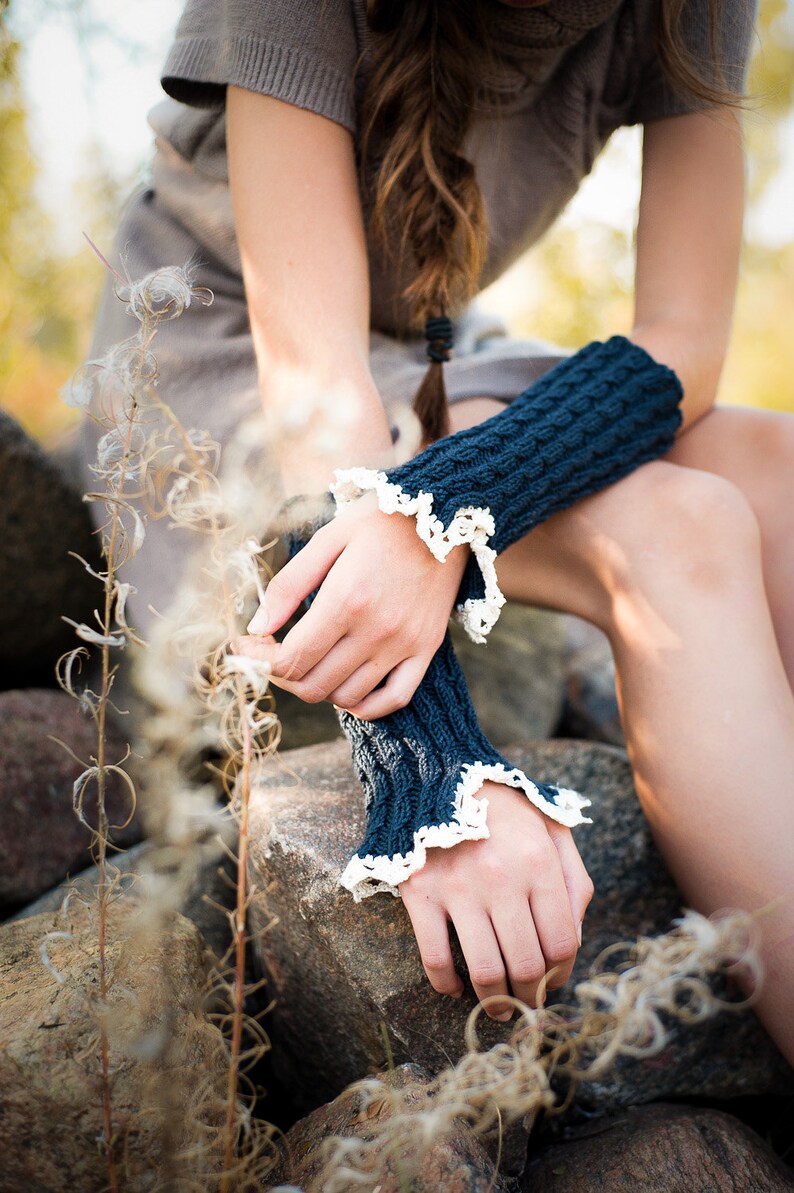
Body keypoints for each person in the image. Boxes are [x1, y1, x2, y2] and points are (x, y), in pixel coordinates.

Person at [80, 0, 794, 1067]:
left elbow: (683, 341)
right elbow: (318, 406)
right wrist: (436, 769)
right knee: (674, 528)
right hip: (224, 380)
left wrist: (453, 501)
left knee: (769, 468)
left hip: (433, 365)